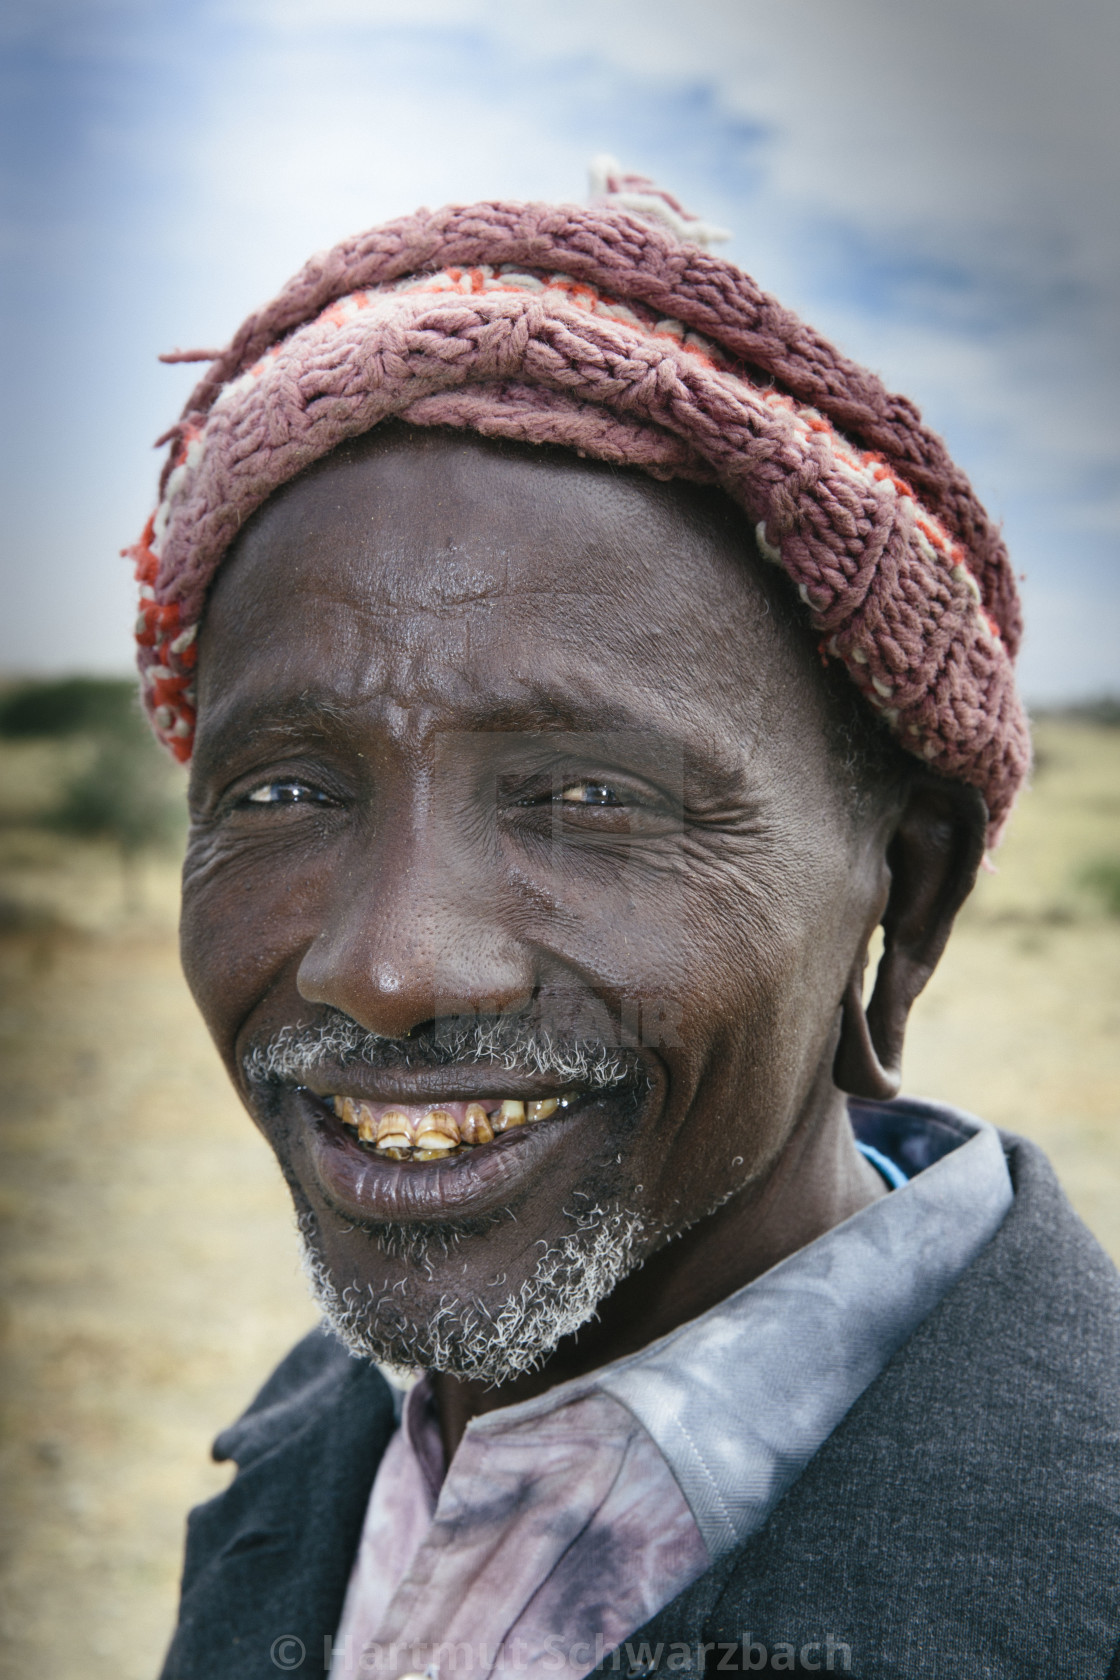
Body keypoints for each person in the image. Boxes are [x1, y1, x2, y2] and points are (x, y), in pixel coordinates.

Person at [133, 165, 1119, 1680]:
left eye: (587, 797)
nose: (388, 967)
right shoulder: (317, 1458)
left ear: (905, 898)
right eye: (283, 795)